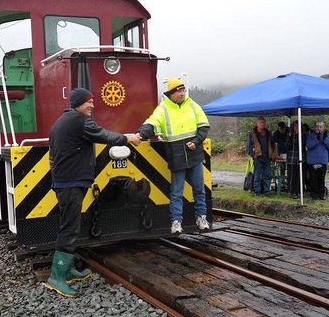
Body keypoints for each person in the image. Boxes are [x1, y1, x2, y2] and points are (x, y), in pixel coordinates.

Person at [47, 87, 141, 297]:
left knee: (71, 225)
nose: (92, 105)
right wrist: (128, 138)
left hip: (65, 181)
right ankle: (57, 277)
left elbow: (53, 156)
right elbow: (103, 135)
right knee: (69, 228)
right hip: (70, 183)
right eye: (88, 102)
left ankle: (68, 269)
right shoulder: (80, 121)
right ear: (79, 103)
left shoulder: (60, 122)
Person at [137, 77, 210, 234]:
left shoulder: (193, 105)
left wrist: (196, 141)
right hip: (176, 157)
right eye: (178, 91)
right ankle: (176, 222)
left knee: (199, 189)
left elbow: (204, 126)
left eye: (183, 90)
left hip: (194, 156)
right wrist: (140, 134)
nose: (182, 93)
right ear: (170, 93)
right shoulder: (163, 109)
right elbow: (152, 122)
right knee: (176, 192)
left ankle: (201, 218)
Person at [247, 117, 277, 195]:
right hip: (258, 157)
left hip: (267, 157)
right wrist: (253, 155)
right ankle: (257, 191)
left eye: (263, 123)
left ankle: (266, 191)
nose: (262, 124)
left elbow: (272, 144)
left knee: (267, 175)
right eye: (260, 122)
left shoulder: (268, 133)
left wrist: (272, 152)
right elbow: (249, 145)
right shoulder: (252, 133)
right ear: (257, 124)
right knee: (257, 175)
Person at [305, 121, 329, 200]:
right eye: (317, 126)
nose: (318, 128)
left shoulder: (326, 135)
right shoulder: (310, 135)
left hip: (322, 160)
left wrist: (323, 138)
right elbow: (308, 145)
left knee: (321, 178)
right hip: (312, 160)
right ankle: (314, 194)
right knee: (313, 179)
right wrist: (317, 139)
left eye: (320, 127)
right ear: (314, 128)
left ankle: (321, 194)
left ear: (323, 128)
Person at [286, 120, 306, 198]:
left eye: (298, 126)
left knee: (300, 175)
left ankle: (299, 191)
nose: (296, 128)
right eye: (295, 126)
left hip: (301, 157)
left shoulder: (303, 135)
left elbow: (303, 145)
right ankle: (292, 191)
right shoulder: (290, 134)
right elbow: (287, 146)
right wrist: (291, 137)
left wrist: (298, 135)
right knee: (292, 175)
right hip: (292, 157)